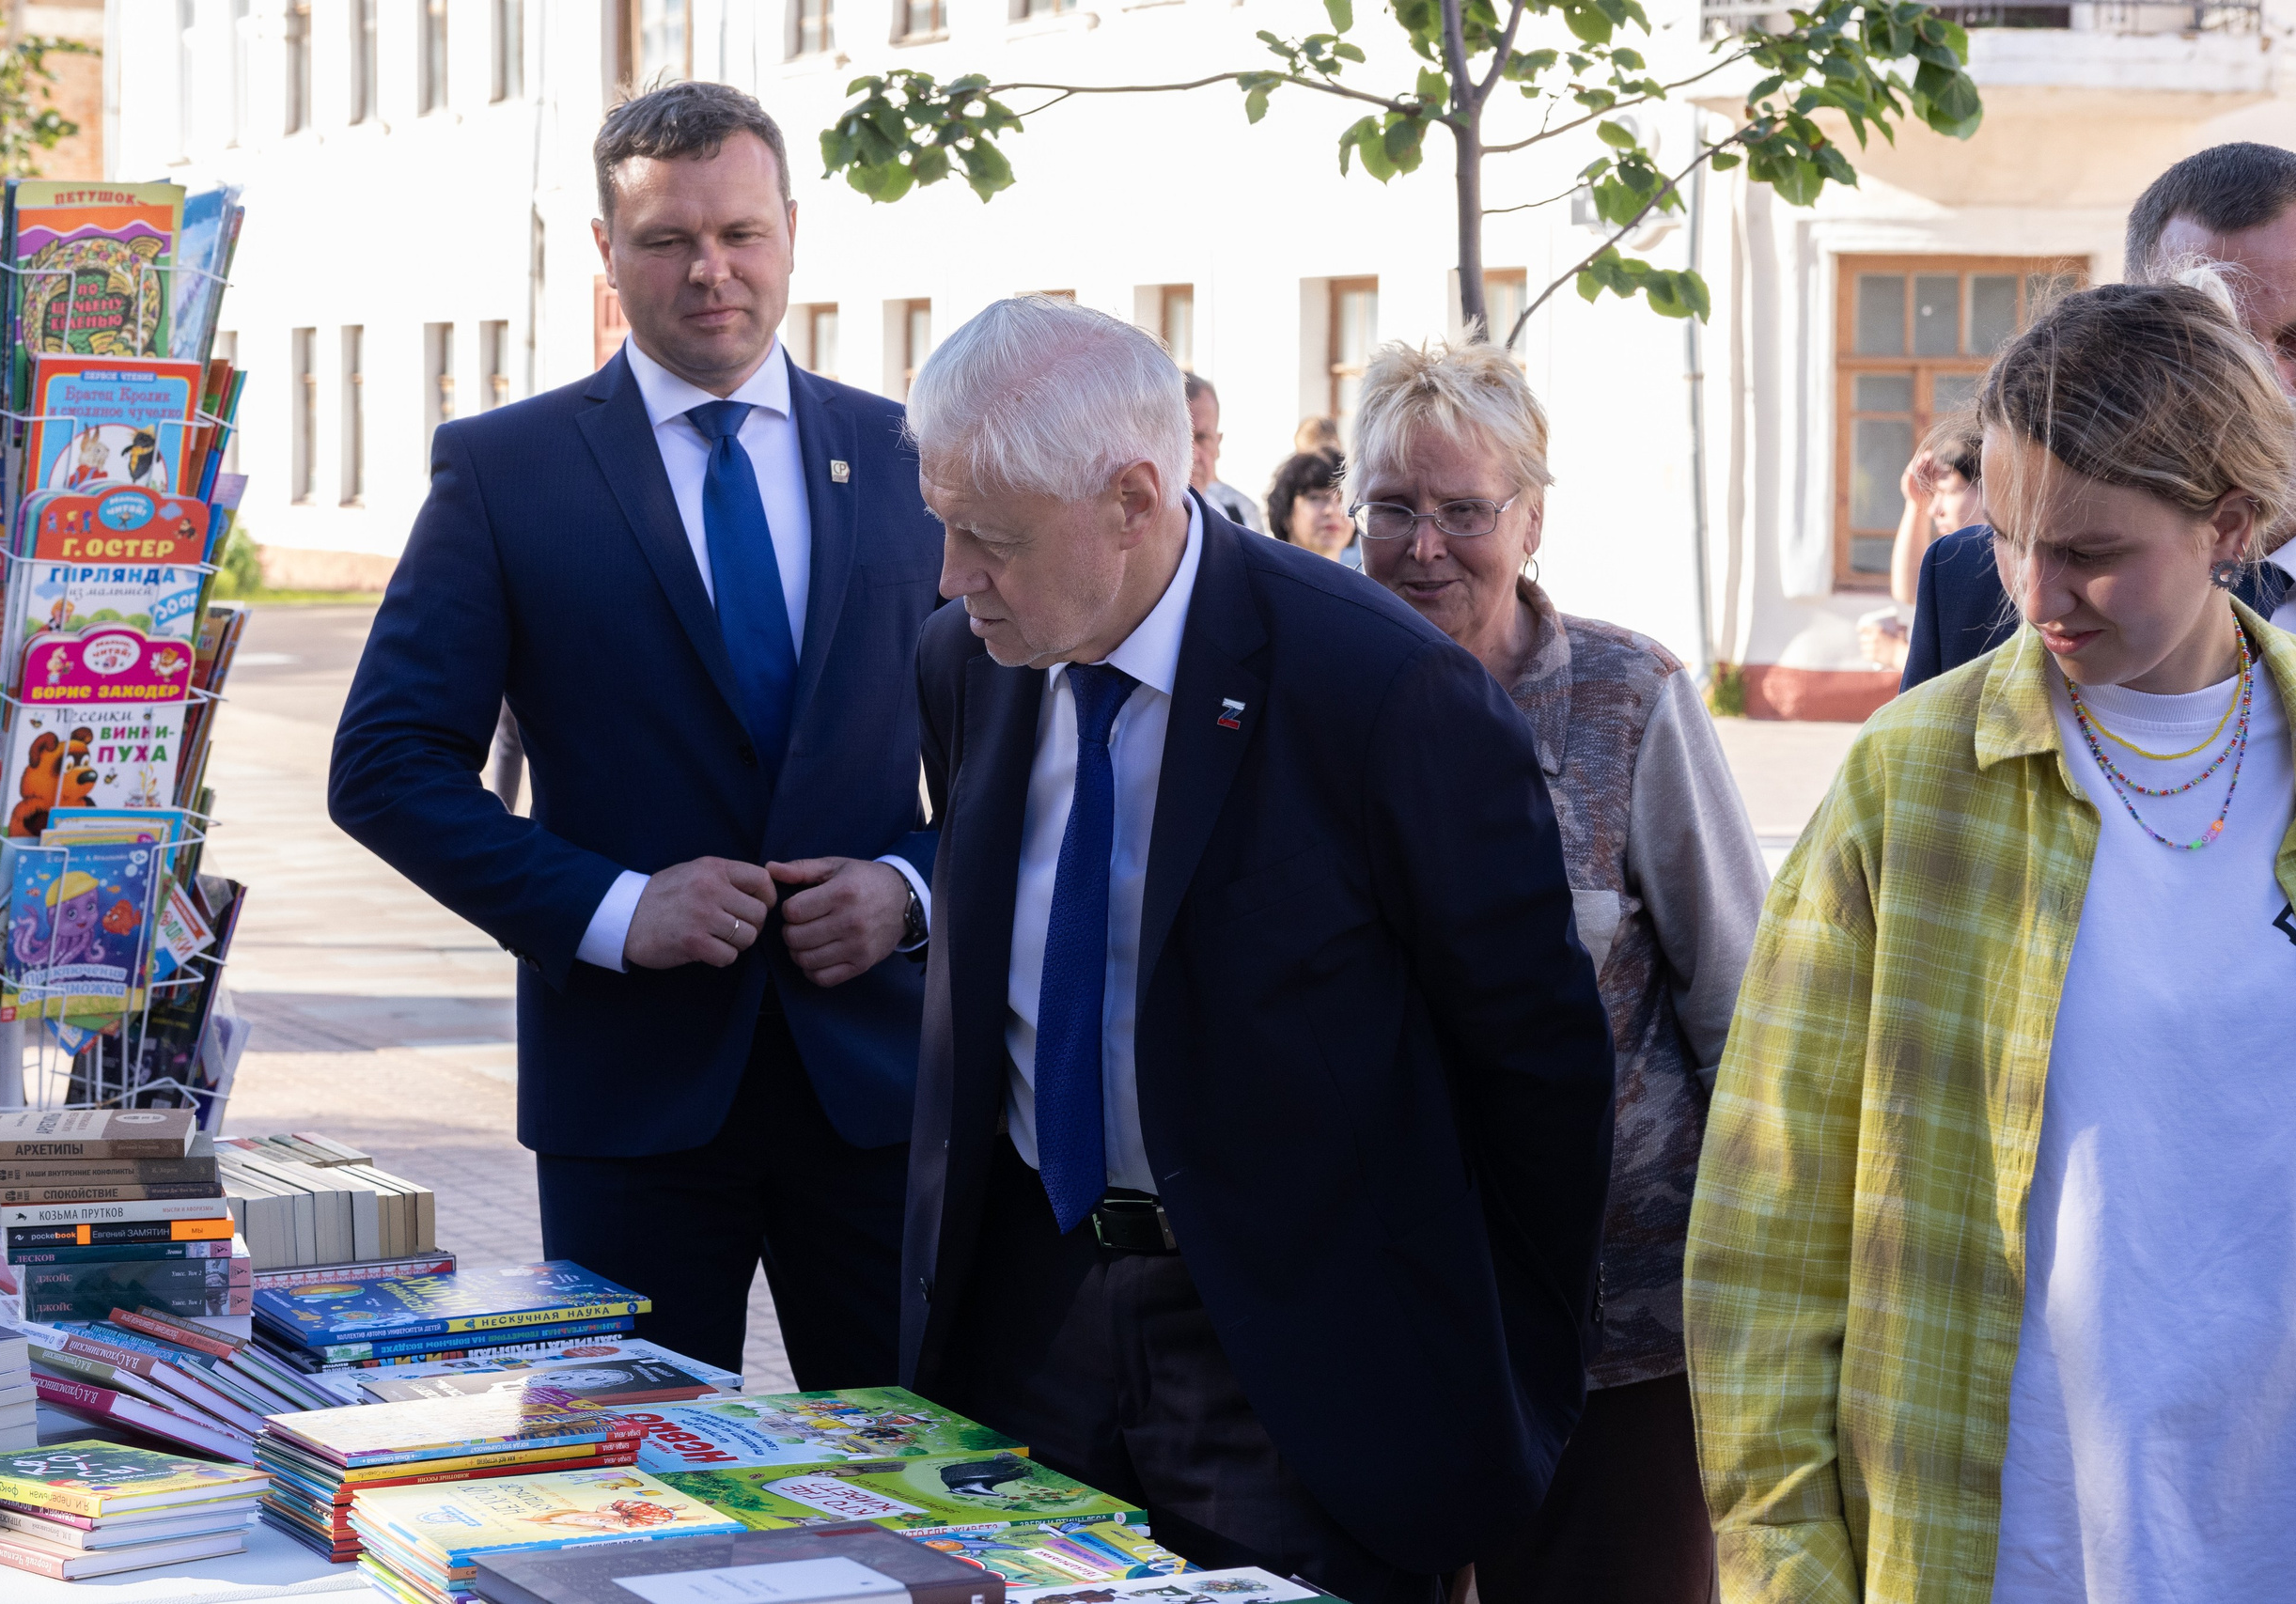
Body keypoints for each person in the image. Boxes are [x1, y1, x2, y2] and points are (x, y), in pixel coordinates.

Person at [901, 296, 1617, 1600]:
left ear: (1133, 498)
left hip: (1296, 1357)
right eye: (943, 525)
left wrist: (1481, 1375)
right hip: (1029, 1312)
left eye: (988, 539)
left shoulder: (1385, 693)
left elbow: (1538, 1074)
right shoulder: (969, 659)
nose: (952, 574)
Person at [1687, 273, 2296, 1602]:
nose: (2038, 591)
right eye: (2013, 538)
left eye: (2092, 550)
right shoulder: (1915, 779)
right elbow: (1765, 1215)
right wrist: (1784, 1564)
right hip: (2000, 1545)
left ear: (2231, 523)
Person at [328, 82, 943, 1387]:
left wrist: (909, 887)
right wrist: (610, 908)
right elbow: (384, 765)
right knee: (629, 1496)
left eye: (739, 233)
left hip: (884, 1087)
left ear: (792, 230)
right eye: (667, 240)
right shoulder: (507, 471)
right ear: (606, 254)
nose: (710, 271)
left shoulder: (913, 458)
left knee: (923, 1482)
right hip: (632, 1096)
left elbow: (1026, 745)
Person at [1351, 337, 1766, 1604]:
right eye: (1392, 509)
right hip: (1378, 1309)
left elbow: (1736, 993)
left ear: (1531, 517)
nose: (1426, 546)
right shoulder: (1306, 687)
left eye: (1465, 511)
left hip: (1617, 1320)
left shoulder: (1625, 695)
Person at [1904, 141, 2296, 690]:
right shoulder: (1970, 580)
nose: (2268, 385)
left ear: (2231, 528)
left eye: (2295, 344)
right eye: (2209, 341)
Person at [1860, 427, 1985, 669]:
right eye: (1934, 494)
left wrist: (1897, 654)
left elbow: (1965, 677)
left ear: (1993, 488)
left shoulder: (2013, 571)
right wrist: (1916, 503)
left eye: (1949, 491)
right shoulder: (1973, 565)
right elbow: (1911, 591)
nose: (1934, 510)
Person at [1184, 372, 1260, 529]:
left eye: (1202, 437)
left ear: (1217, 444)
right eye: (1182, 439)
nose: (1193, 454)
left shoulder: (1241, 515)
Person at [1263, 449, 1356, 562]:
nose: (1332, 510)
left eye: (1344, 500)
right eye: (1315, 497)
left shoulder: (1364, 579)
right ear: (1285, 512)